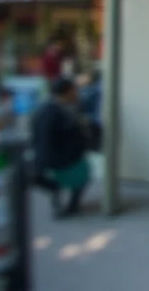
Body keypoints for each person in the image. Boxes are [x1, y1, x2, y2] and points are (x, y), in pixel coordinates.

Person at [32, 78, 92, 218]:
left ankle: (60, 197)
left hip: (50, 158)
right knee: (83, 171)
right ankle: (67, 201)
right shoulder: (53, 113)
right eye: (74, 90)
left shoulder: (46, 108)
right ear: (68, 91)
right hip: (60, 159)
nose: (77, 93)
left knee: (78, 170)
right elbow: (48, 140)